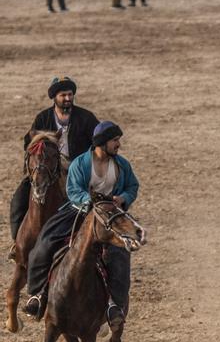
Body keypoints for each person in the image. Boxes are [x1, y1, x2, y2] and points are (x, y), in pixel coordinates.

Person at [24, 121, 138, 326]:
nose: (118, 144)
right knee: (45, 242)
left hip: (110, 217)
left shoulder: (122, 165)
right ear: (102, 143)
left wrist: (123, 198)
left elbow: (132, 186)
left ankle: (115, 306)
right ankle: (37, 294)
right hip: (78, 213)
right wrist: (90, 201)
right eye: (115, 140)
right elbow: (73, 191)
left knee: (120, 256)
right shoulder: (80, 164)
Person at [11, 77, 100, 240]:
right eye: (63, 95)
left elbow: (99, 142)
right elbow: (28, 143)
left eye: (70, 94)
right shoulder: (42, 118)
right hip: (47, 168)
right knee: (18, 199)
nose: (67, 99)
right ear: (54, 97)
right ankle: (17, 244)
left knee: (94, 203)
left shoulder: (86, 118)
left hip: (79, 170)